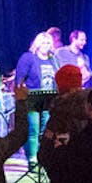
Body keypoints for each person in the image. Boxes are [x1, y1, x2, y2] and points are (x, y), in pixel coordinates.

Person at [12, 31, 58, 168]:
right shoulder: (29, 58)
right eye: (43, 42)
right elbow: (19, 79)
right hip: (32, 99)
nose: (46, 45)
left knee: (46, 130)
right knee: (33, 130)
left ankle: (43, 157)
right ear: (37, 44)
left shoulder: (53, 59)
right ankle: (32, 160)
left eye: (48, 43)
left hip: (48, 100)